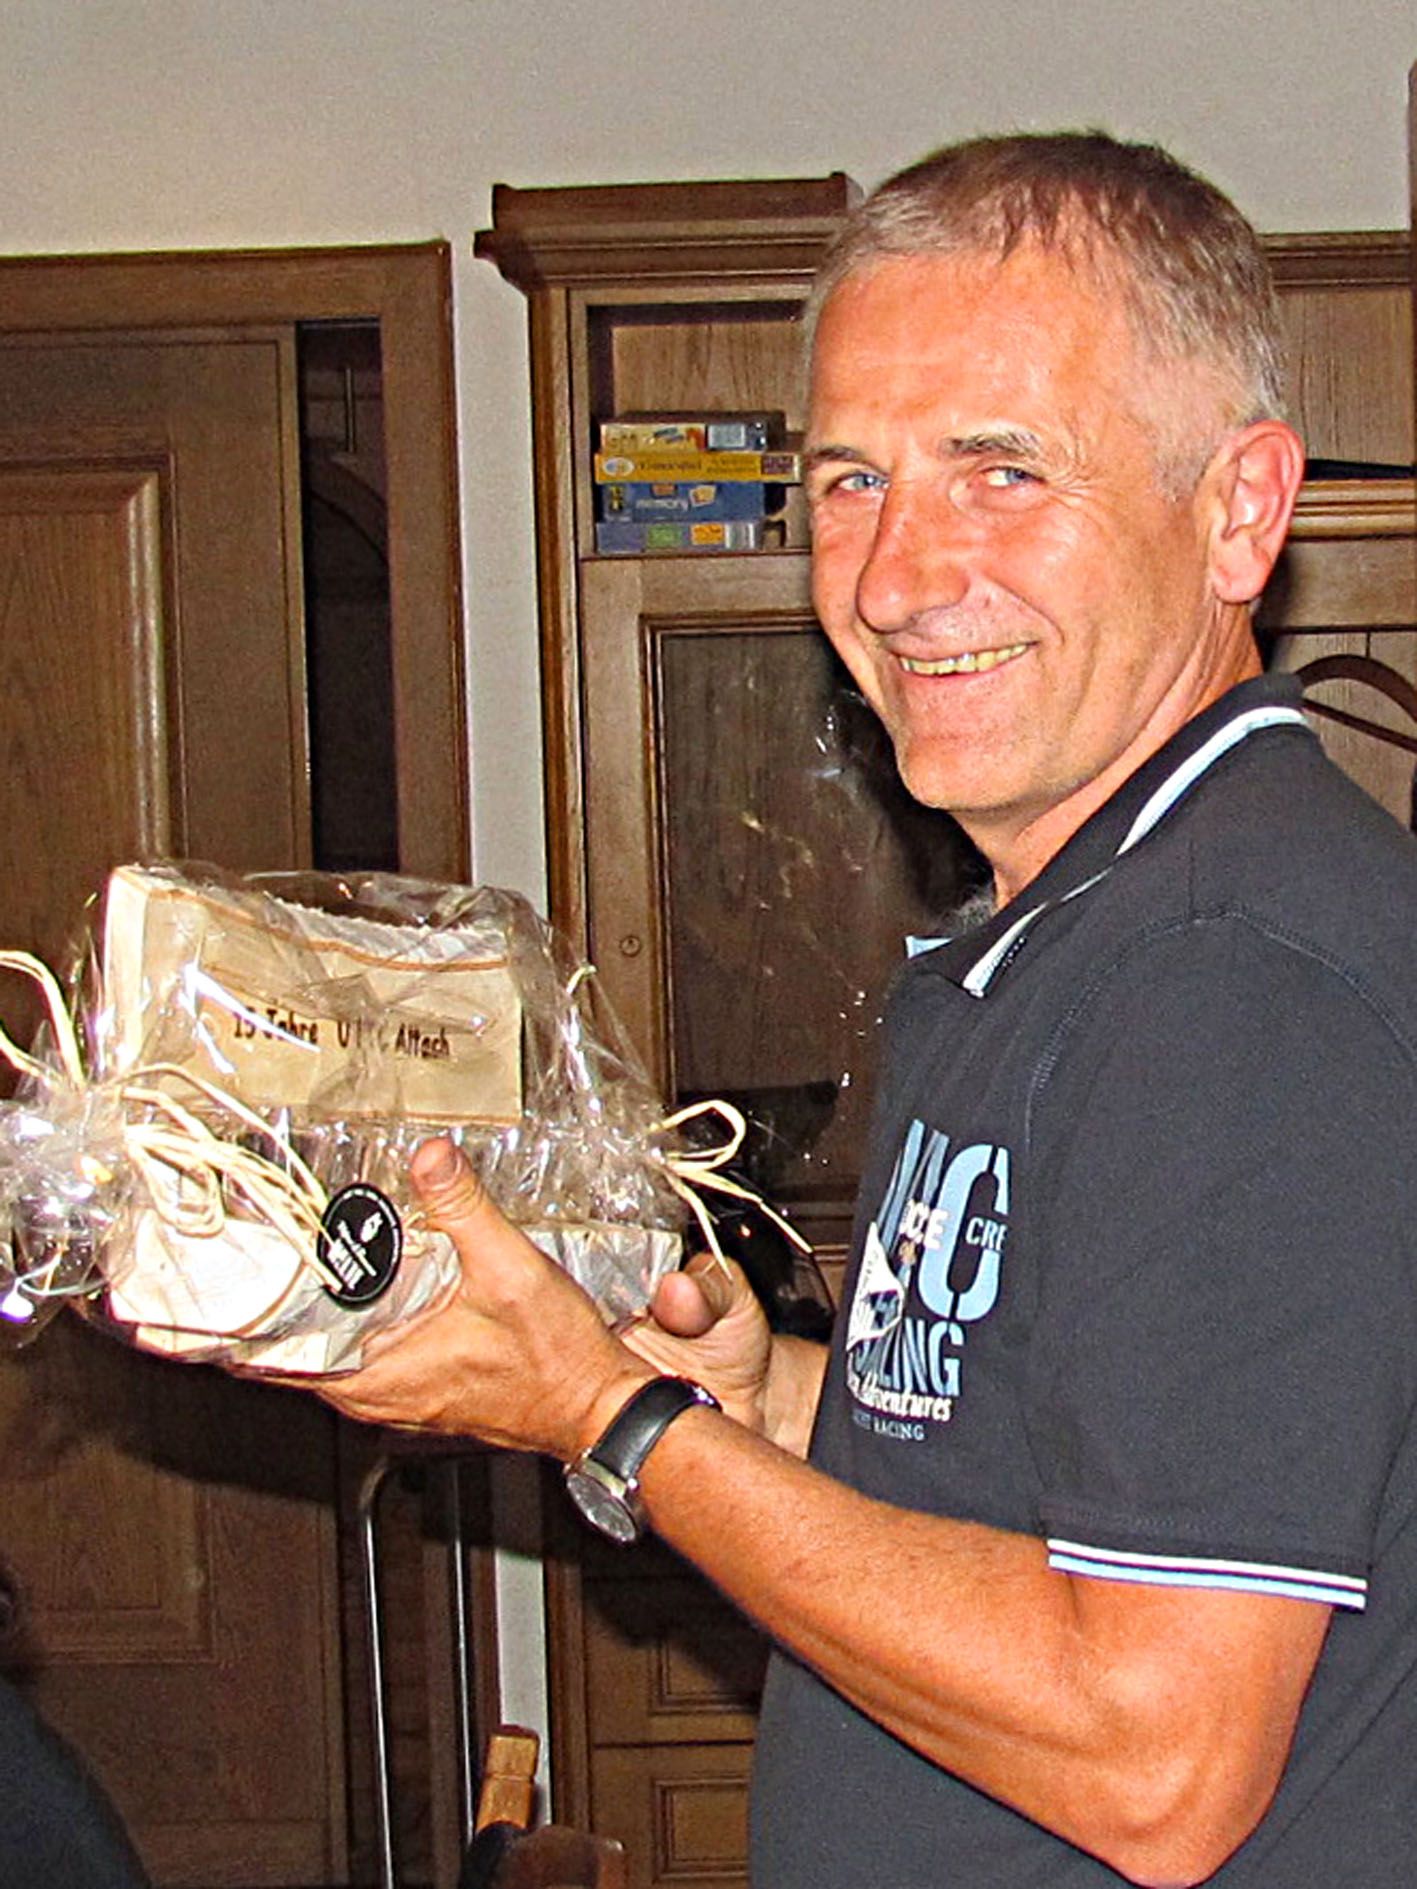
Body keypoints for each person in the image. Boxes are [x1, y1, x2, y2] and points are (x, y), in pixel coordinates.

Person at [299, 133, 1417, 1885]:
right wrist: (773, 1398)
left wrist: (613, 1419)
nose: (892, 577)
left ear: (1237, 511)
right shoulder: (1067, 924)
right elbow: (1038, 1458)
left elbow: (1154, 1756)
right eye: (848, 481)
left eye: (1000, 470)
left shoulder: (1228, 976)